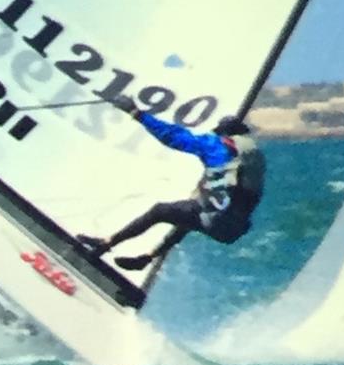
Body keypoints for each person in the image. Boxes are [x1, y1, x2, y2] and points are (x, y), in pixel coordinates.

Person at [76, 96, 265, 270]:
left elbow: (173, 136)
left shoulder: (216, 144)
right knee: (191, 213)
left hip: (217, 219)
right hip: (233, 230)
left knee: (161, 211)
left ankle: (105, 244)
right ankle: (148, 257)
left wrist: (137, 113)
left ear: (223, 133)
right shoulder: (255, 157)